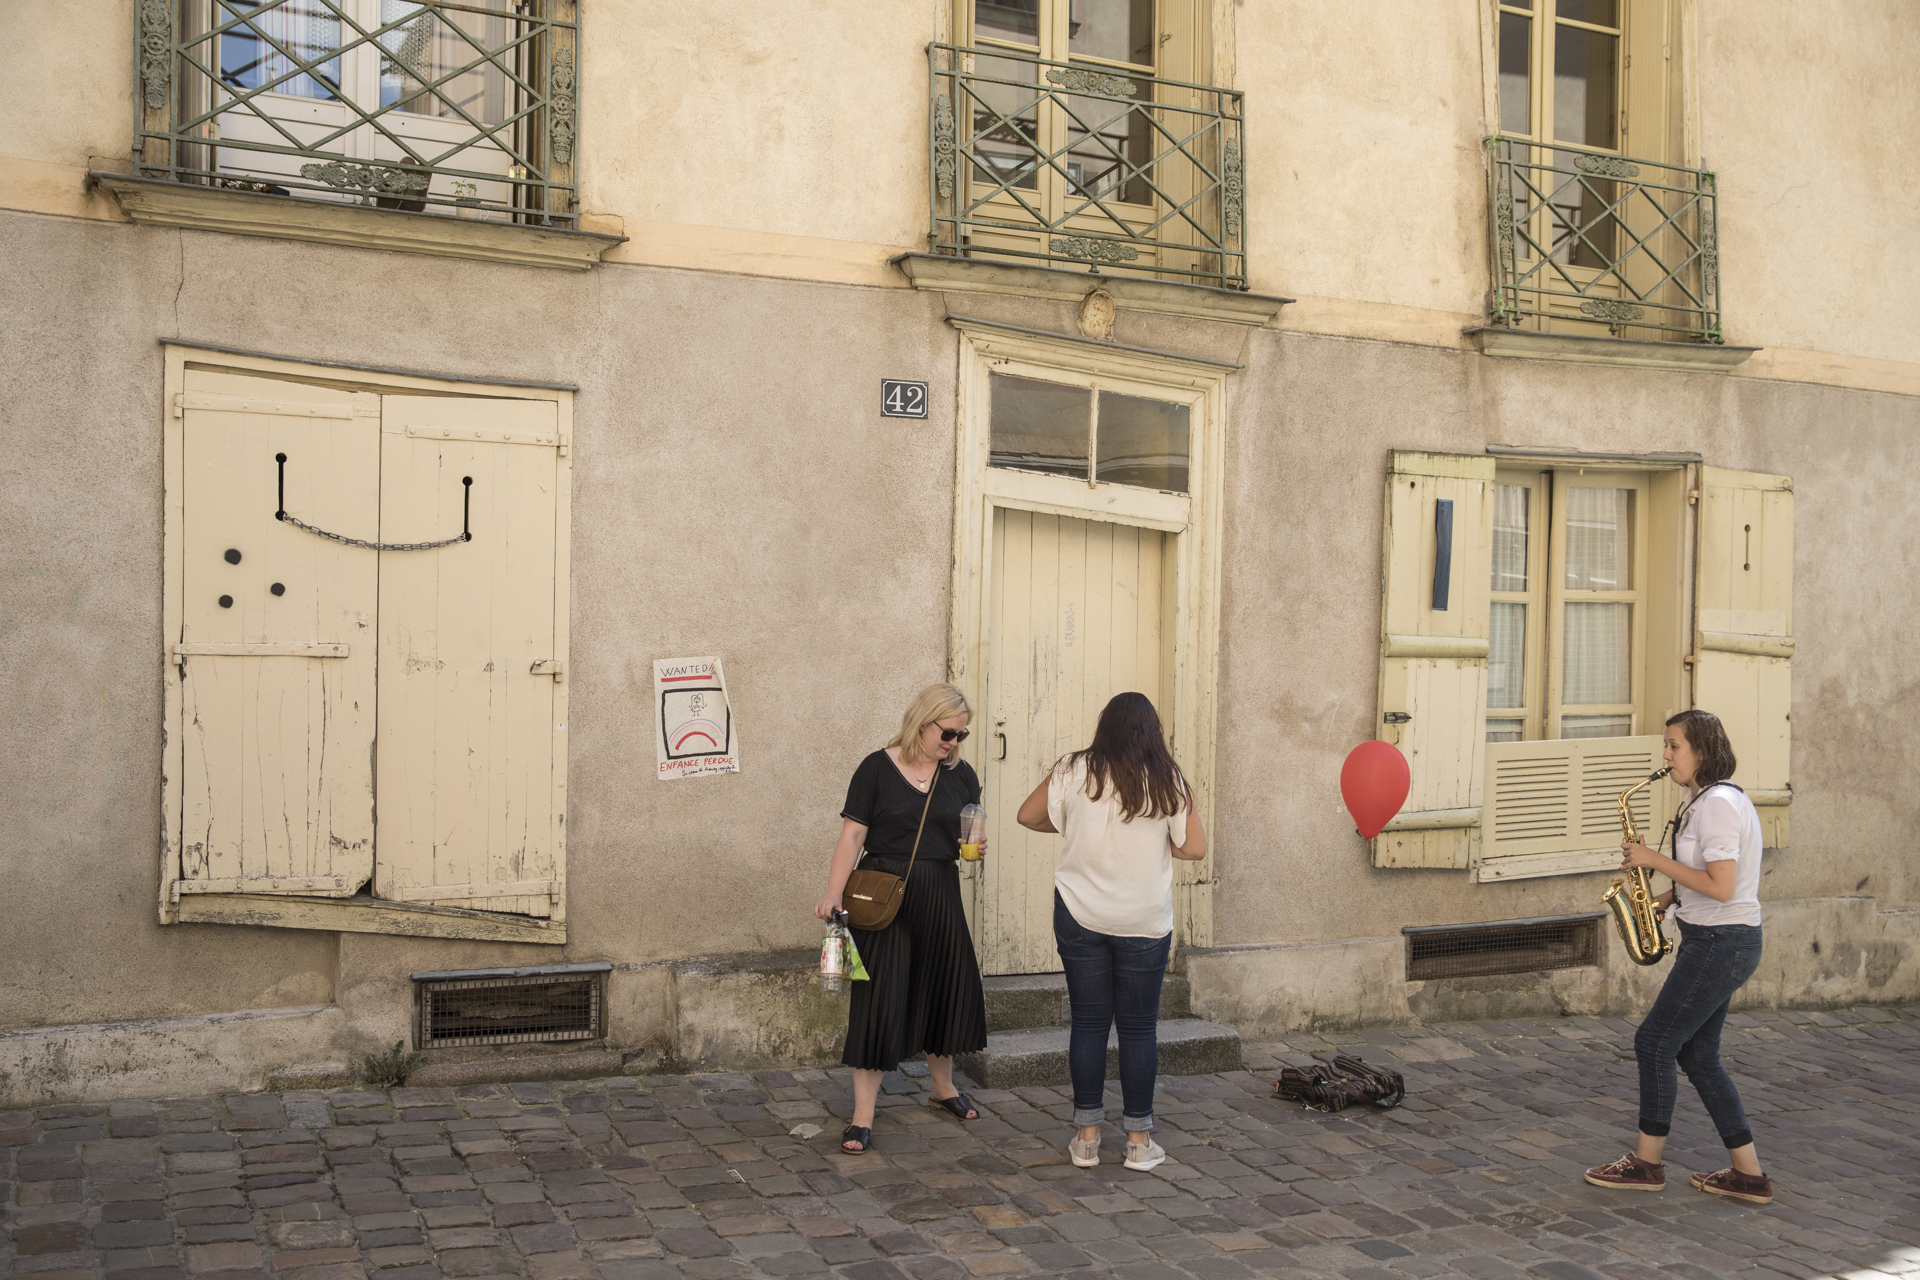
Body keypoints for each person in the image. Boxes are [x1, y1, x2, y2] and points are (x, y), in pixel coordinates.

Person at [1585, 709, 1772, 1204]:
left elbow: (1723, 886)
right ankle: (1748, 1175)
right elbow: (1709, 883)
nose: (1665, 756)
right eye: (1665, 746)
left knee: (1654, 1042)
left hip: (1721, 942)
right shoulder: (1700, 800)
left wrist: (1653, 860)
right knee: (1698, 1055)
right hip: (1717, 939)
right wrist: (1660, 900)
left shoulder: (1719, 805)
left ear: (1702, 751)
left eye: (1674, 746)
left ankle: (1646, 1164)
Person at [1015, 692, 1207, 1172]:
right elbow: (1194, 848)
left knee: (1088, 1022)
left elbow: (1027, 815)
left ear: (1104, 726)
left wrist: (1075, 827)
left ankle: (1086, 1140)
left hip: (1080, 913)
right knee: (1139, 1028)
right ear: (1153, 732)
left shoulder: (1072, 768)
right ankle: (1139, 1142)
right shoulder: (1167, 777)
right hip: (1143, 918)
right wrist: (1155, 841)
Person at [815, 683, 989, 1153]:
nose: (954, 742)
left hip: (940, 891)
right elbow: (852, 836)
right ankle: (863, 1115)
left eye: (961, 735)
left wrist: (974, 848)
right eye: (947, 733)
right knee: (879, 997)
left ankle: (942, 1088)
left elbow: (968, 834)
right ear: (922, 722)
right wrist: (833, 892)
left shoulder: (961, 775)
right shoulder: (876, 768)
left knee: (943, 987)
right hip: (882, 895)